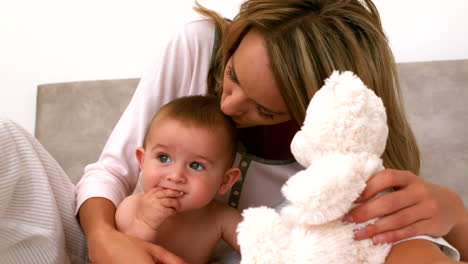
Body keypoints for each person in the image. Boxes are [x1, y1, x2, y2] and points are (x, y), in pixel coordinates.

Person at [1, 0, 466, 263]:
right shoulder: (198, 44)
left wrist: (457, 215)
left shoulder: (340, 147)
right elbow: (112, 170)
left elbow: (378, 243)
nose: (227, 104)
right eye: (233, 74)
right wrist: (105, 238)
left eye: (264, 108)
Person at [114, 95, 242, 264]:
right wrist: (144, 224)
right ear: (142, 161)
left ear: (225, 181)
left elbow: (265, 251)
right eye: (164, 158)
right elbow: (116, 258)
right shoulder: (131, 209)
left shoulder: (221, 218)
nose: (175, 176)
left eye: (196, 165)